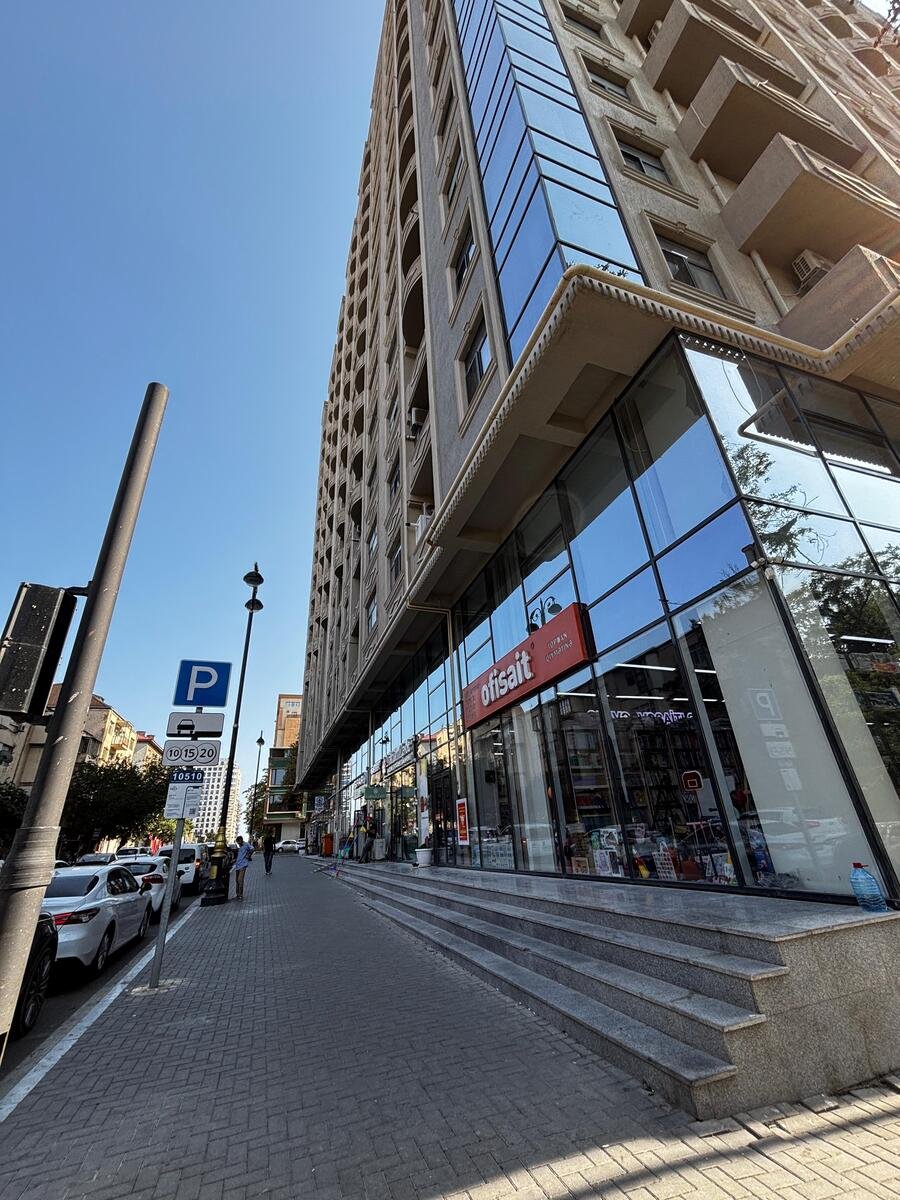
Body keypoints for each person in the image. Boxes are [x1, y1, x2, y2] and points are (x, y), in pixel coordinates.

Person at [232, 835, 253, 901]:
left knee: (240, 880)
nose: (239, 844)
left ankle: (240, 895)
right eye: (238, 843)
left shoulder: (246, 844)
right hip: (237, 865)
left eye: (239, 842)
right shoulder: (239, 847)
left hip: (243, 865)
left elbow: (252, 849)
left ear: (241, 840)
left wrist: (248, 855)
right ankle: (237, 894)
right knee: (237, 880)